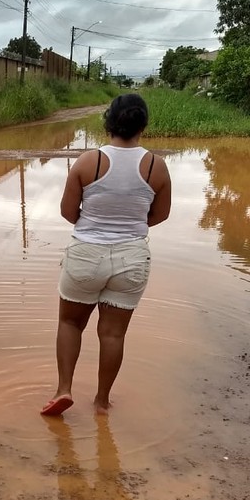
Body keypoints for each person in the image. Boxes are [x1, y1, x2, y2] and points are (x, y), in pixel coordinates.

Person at [41, 93, 171, 416]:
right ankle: (101, 401)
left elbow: (68, 211)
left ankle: (64, 390)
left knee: (70, 323)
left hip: (86, 255)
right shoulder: (156, 166)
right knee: (113, 333)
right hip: (131, 260)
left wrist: (92, 223)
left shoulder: (88, 162)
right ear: (143, 124)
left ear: (109, 122)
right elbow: (160, 215)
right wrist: (131, 224)